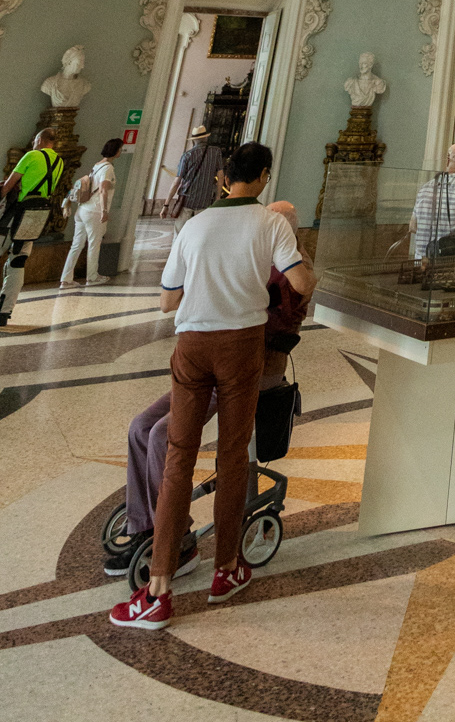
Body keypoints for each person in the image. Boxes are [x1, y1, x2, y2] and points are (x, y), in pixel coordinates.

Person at [109, 143, 315, 631]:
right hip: (240, 344)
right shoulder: (270, 222)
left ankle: (157, 586)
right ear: (263, 176)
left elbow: (166, 301)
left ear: (225, 178)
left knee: (179, 454)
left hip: (192, 342)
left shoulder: (192, 225)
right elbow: (302, 285)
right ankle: (227, 569)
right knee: (229, 455)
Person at [0, 128, 66, 329]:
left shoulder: (31, 155)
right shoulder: (59, 161)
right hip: (36, 217)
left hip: (15, 214)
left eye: (35, 139)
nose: (33, 142)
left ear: (40, 140)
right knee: (18, 262)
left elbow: (8, 186)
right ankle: (4, 312)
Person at [61, 137, 123, 288]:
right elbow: (103, 190)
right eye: (120, 149)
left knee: (76, 245)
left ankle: (66, 279)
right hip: (94, 211)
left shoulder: (96, 166)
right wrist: (104, 210)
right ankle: (92, 277)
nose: (121, 151)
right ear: (115, 151)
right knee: (94, 244)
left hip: (82, 209)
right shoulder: (108, 168)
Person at [410, 143, 455, 260]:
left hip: (421, 258)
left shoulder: (424, 188)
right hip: (447, 258)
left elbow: (412, 226)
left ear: (447, 160)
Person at [168, 125, 223, 222]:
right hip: (205, 201)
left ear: (193, 140)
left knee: (180, 233)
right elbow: (221, 176)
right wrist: (218, 197)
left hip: (186, 201)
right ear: (206, 137)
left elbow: (177, 181)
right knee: (199, 233)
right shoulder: (216, 152)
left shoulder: (187, 156)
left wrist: (166, 204)